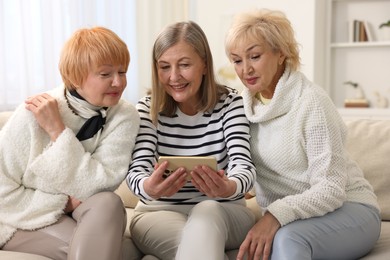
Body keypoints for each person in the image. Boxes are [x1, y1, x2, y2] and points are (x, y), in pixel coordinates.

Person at [224, 9, 381, 260]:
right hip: (296, 217)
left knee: (288, 238)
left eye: (254, 56)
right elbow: (255, 173)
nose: (246, 69)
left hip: (350, 208)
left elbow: (330, 188)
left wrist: (274, 216)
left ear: (280, 53)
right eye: (237, 60)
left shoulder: (312, 103)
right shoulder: (243, 107)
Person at [0, 26, 140, 260]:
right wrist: (61, 204)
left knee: (109, 202)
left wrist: (58, 131)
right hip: (20, 218)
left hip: (84, 212)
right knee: (118, 253)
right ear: (75, 77)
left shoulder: (124, 115)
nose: (118, 82)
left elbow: (101, 186)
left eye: (122, 72)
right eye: (105, 74)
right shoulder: (32, 114)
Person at [126, 21, 256, 260]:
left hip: (225, 211)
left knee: (207, 211)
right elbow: (137, 171)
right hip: (157, 212)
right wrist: (148, 187)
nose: (174, 77)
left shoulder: (231, 104)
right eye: (164, 67)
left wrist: (230, 187)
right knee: (201, 247)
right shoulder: (147, 109)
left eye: (184, 65)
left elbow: (243, 164)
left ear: (205, 65)